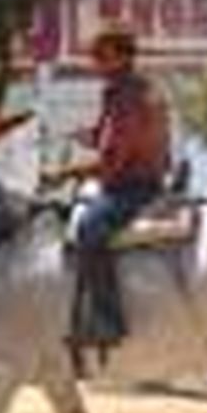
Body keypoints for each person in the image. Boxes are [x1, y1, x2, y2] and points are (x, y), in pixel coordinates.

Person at [60, 23, 172, 351]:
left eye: (101, 56)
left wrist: (67, 171)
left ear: (122, 57)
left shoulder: (132, 96)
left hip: (134, 186)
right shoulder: (117, 93)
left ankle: (109, 320)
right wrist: (85, 137)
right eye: (95, 57)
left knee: (89, 228)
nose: (95, 63)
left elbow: (115, 157)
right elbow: (104, 137)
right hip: (127, 180)